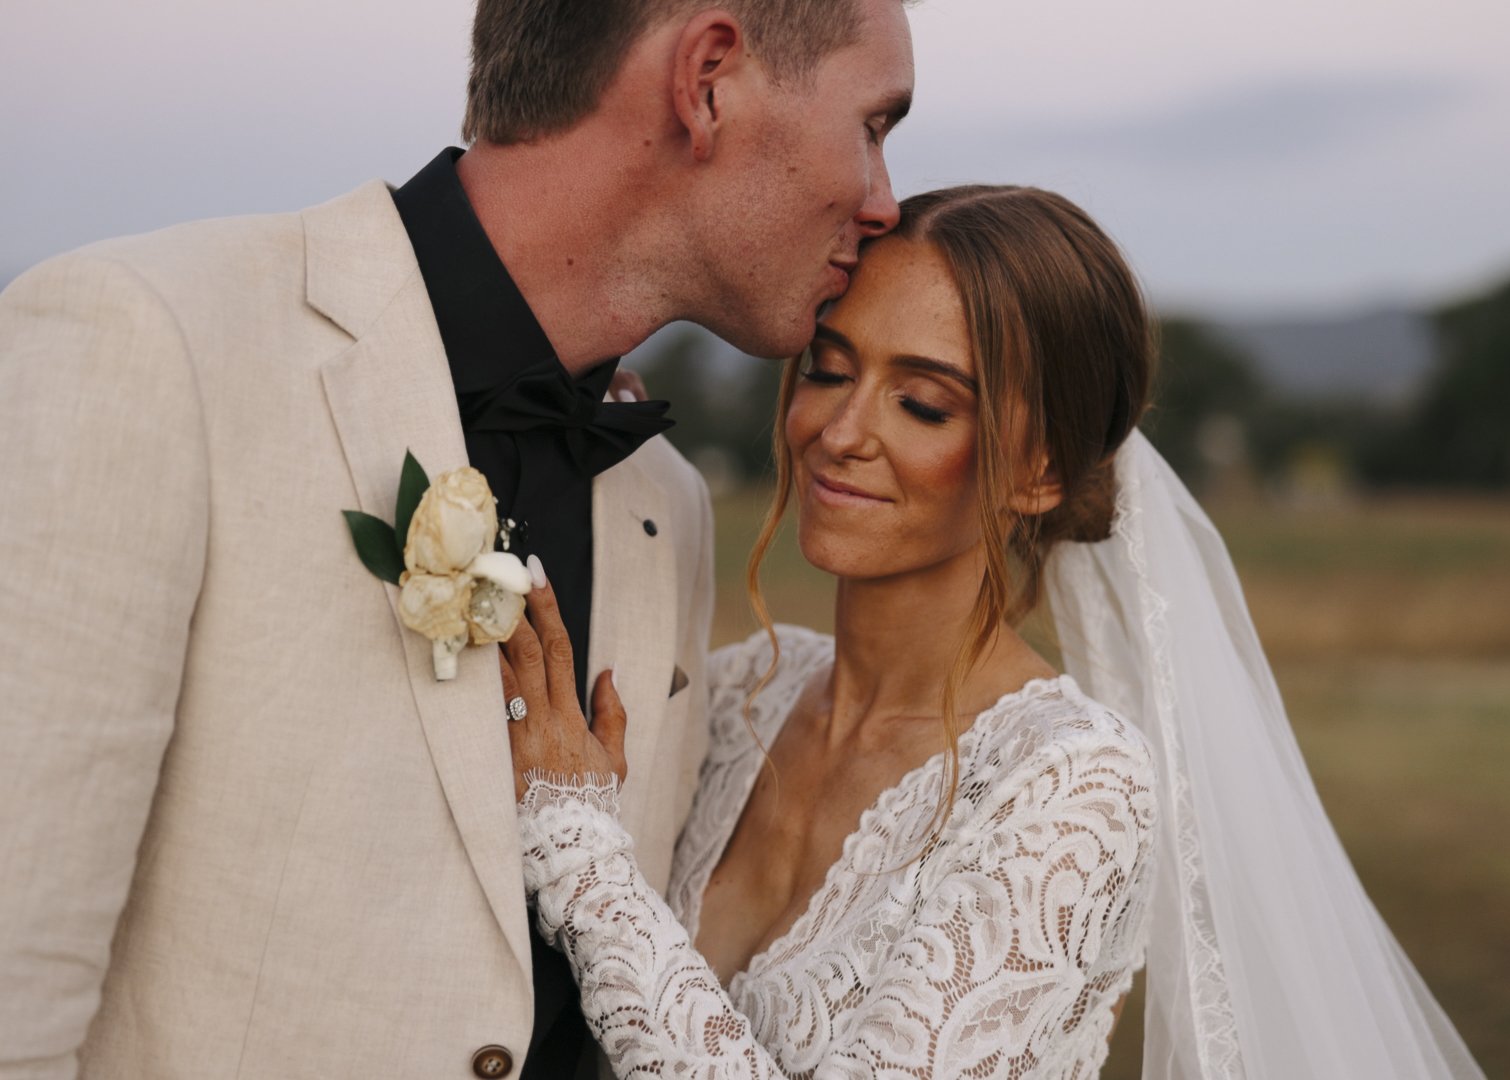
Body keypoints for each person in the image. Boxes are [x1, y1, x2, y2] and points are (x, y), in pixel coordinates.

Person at [0, 1, 912, 1076]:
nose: (884, 202)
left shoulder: (666, 500)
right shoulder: (149, 345)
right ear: (707, 79)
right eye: (874, 126)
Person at [498, 186, 1487, 1077]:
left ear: (1040, 474)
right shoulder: (738, 691)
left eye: (924, 403)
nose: (842, 432)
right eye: (830, 372)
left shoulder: (1073, 788)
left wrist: (582, 855)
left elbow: (588, 872)